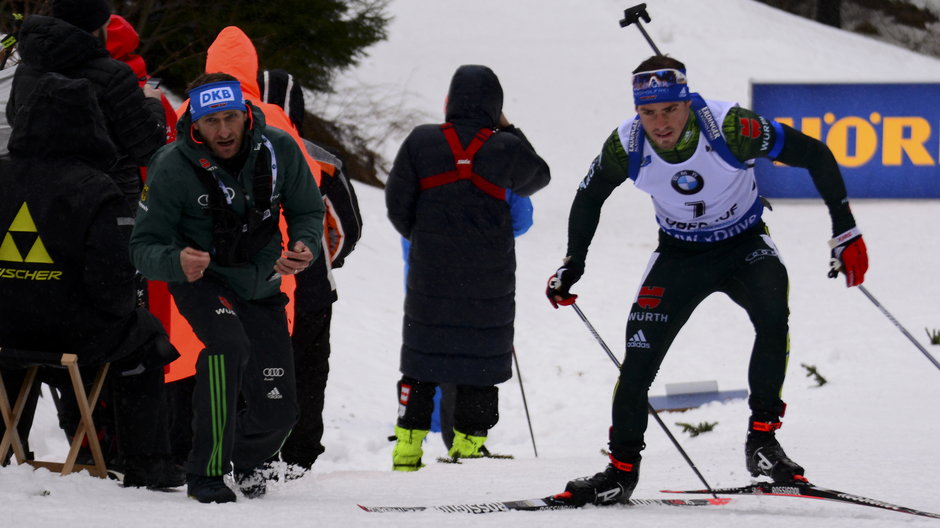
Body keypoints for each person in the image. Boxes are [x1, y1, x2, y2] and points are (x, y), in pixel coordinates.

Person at [545, 55, 869, 506]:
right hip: (679, 254)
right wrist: (572, 262)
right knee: (639, 357)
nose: (659, 123)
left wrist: (845, 228)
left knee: (774, 318)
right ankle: (620, 470)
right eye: (647, 112)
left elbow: (814, 153)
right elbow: (588, 195)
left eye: (669, 110)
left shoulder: (732, 126)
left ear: (687, 101)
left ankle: (762, 444)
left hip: (744, 246)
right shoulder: (627, 142)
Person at [129, 73, 325, 503]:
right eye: (211, 121)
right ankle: (206, 472)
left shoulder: (279, 148)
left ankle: (243, 460)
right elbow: (142, 247)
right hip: (202, 281)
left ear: (245, 114)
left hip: (262, 283)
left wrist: (305, 246)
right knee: (228, 346)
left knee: (279, 411)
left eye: (231, 118)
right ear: (194, 124)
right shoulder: (171, 165)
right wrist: (175, 260)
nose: (223, 131)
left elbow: (309, 211)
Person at [0, 72, 181, 489]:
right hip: (73, 335)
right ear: (89, 125)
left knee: (13, 345)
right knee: (146, 334)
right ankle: (148, 463)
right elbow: (112, 287)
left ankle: (7, 445)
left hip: (5, 330)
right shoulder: (95, 188)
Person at [385, 64, 550, 471]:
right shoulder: (504, 148)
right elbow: (539, 177)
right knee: (479, 365)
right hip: (488, 282)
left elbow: (397, 204)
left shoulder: (422, 141)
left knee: (423, 361)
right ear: (496, 108)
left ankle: (407, 454)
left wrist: (430, 240)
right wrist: (508, 130)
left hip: (430, 277)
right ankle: (469, 451)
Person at [258, 68, 364, 474]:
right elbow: (346, 227)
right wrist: (323, 259)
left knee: (257, 367)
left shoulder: (227, 150)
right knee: (308, 370)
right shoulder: (321, 158)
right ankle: (298, 456)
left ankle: (254, 451)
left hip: (254, 284)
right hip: (309, 286)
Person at [5, 0, 167, 212]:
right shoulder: (115, 76)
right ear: (96, 27)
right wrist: (153, 102)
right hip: (105, 201)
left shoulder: (27, 68)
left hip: (40, 199)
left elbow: (14, 119)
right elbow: (149, 147)